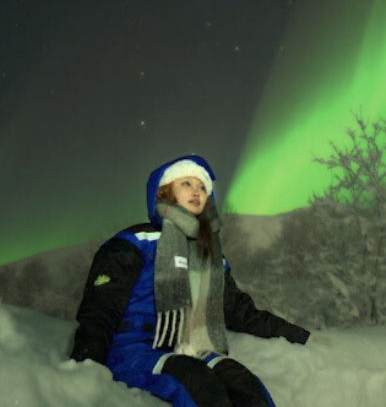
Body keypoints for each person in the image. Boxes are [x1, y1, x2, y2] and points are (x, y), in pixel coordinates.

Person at [70, 154, 311, 407]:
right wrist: (86, 366)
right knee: (200, 385)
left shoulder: (209, 254)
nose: (197, 191)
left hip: (185, 348)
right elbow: (100, 308)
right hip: (130, 350)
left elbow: (239, 311)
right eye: (186, 183)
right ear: (164, 192)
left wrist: (298, 335)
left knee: (243, 384)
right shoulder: (134, 243)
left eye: (203, 187)